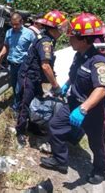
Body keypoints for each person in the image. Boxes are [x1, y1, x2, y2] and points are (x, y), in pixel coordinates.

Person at [43, 12, 105, 185]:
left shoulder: (99, 62)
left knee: (97, 143)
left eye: (72, 37)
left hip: (93, 110)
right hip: (74, 102)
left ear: (84, 39)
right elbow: (75, 75)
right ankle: (60, 160)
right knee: (55, 126)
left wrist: (83, 109)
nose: (69, 40)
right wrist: (67, 85)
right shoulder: (79, 55)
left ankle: (101, 170)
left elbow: (102, 89)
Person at [15, 10, 67, 146]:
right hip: (29, 76)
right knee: (25, 104)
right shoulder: (45, 42)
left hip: (36, 77)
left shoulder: (48, 39)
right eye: (61, 27)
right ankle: (20, 130)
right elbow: (45, 66)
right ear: (54, 28)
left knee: (37, 103)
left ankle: (33, 126)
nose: (63, 30)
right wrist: (55, 85)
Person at [0, 12, 35, 112]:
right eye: (13, 24)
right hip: (12, 63)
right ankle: (18, 103)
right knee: (13, 84)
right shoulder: (9, 32)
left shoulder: (29, 34)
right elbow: (6, 46)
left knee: (19, 87)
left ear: (22, 22)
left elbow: (35, 48)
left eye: (16, 24)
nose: (15, 26)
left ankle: (17, 107)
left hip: (23, 64)